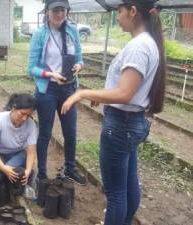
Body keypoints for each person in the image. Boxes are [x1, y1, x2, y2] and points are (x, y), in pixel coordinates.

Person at [61, 0, 165, 224]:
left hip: (121, 125)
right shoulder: (148, 43)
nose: (117, 17)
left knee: (116, 194)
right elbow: (126, 89)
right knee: (128, 184)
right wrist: (103, 94)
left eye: (119, 12)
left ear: (133, 12)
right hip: (133, 122)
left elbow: (125, 94)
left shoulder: (138, 47)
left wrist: (82, 94)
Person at [28, 0, 86, 185]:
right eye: (55, 10)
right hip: (48, 90)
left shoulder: (73, 31)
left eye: (62, 10)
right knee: (45, 132)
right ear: (47, 11)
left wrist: (79, 66)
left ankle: (70, 168)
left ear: (67, 11)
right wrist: (50, 74)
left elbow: (79, 58)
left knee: (70, 132)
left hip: (68, 88)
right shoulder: (40, 34)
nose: (59, 14)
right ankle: (43, 174)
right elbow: (31, 68)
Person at [0, 93, 37, 186]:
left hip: (19, 155)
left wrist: (27, 171)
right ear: (14, 108)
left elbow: (31, 152)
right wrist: (3, 167)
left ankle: (6, 177)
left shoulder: (31, 125)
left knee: (11, 171)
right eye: (22, 113)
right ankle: (5, 173)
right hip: (0, 154)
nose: (24, 118)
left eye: (28, 115)